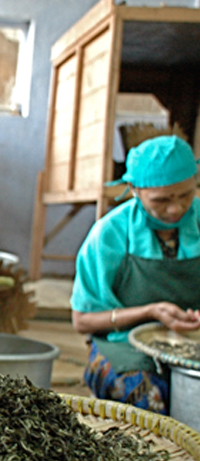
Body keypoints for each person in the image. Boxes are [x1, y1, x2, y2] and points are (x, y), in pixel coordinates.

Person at [71, 135, 200, 413]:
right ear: (134, 189)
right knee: (147, 397)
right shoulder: (108, 235)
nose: (176, 209)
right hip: (124, 344)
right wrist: (150, 312)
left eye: (186, 195)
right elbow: (82, 321)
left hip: (193, 340)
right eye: (161, 200)